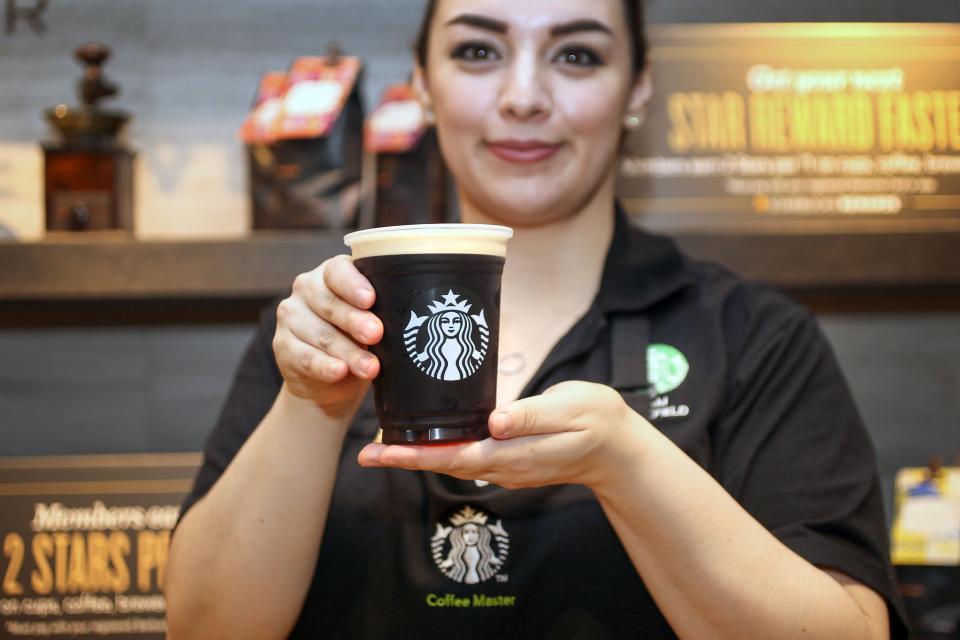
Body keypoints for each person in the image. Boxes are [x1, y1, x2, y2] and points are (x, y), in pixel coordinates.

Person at [164, 0, 910, 638]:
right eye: (479, 50)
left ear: (637, 88)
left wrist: (628, 466)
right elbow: (203, 627)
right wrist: (310, 402)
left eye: (577, 54)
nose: (524, 96)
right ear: (423, 84)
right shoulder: (320, 328)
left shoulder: (754, 336)